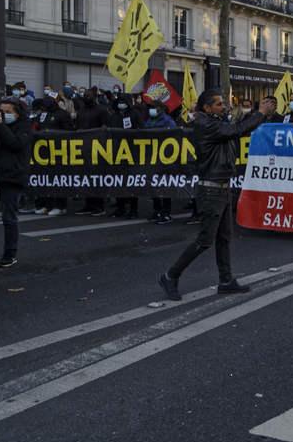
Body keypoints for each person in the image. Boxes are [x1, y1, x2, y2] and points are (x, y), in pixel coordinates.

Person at [159, 91, 275, 300]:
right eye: (220, 104)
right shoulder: (206, 125)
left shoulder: (215, 122)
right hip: (211, 189)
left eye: (224, 103)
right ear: (207, 108)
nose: (225, 107)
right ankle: (170, 275)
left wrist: (261, 114)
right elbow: (237, 130)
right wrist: (260, 113)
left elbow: (236, 128)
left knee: (224, 238)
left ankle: (226, 280)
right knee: (205, 240)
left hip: (221, 187)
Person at [0, 97, 32, 267]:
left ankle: (10, 254)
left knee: (9, 217)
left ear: (18, 113)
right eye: (2, 111)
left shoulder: (24, 126)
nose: (4, 114)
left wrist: (0, 125)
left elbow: (15, 144)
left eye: (8, 112)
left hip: (13, 177)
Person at [35, 93, 74, 215]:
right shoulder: (43, 114)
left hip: (58, 150)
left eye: (50, 100)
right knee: (46, 179)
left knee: (58, 178)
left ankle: (60, 206)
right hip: (44, 151)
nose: (47, 102)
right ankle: (47, 205)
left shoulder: (63, 114)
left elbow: (69, 132)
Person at [74, 88, 110, 216]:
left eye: (88, 95)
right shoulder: (81, 110)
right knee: (85, 177)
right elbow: (77, 126)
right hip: (84, 148)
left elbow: (106, 126)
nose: (86, 97)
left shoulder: (102, 110)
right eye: (85, 95)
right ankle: (88, 204)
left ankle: (99, 206)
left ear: (94, 97)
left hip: (97, 148)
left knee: (96, 177)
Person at [108, 94, 144, 218]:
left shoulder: (135, 114)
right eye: (119, 101)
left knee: (131, 181)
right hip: (117, 152)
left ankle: (134, 210)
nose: (121, 104)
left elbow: (142, 128)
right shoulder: (115, 115)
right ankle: (120, 208)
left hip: (131, 151)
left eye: (123, 101)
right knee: (118, 181)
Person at [145, 101, 177, 224]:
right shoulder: (150, 120)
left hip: (164, 157)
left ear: (160, 109)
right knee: (154, 185)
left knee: (164, 184)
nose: (151, 110)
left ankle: (166, 212)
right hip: (151, 156)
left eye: (153, 108)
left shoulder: (168, 121)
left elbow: (173, 135)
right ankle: (157, 210)